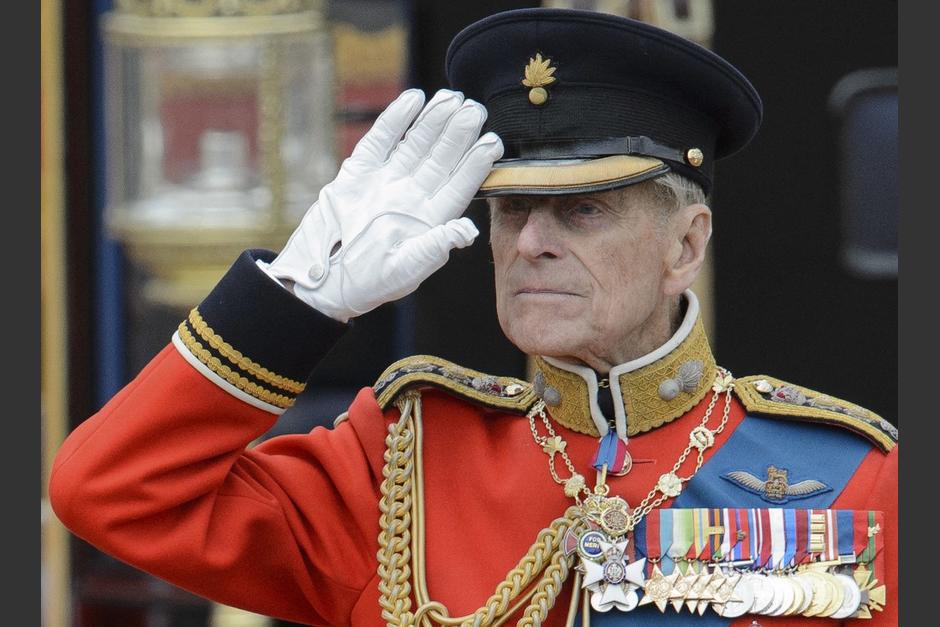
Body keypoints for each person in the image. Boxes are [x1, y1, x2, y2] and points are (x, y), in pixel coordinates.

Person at [49, 7, 897, 626]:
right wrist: (295, 298)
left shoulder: (848, 479)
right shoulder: (402, 460)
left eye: (584, 212)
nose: (530, 242)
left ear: (686, 241)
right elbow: (110, 493)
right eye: (509, 212)